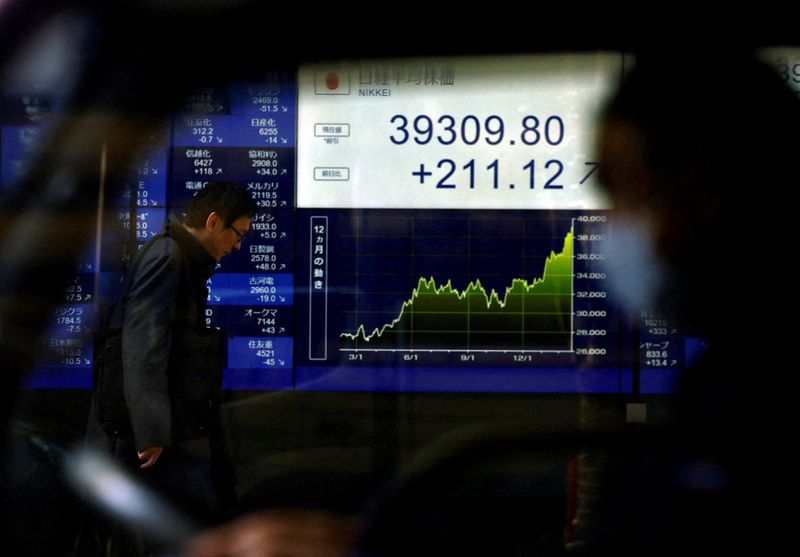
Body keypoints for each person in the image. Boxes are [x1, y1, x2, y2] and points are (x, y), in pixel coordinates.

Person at [87, 180, 256, 530]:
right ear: (213, 222)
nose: (238, 246)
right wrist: (151, 431)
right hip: (138, 435)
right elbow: (143, 344)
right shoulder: (168, 256)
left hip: (149, 430)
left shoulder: (177, 256)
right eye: (237, 234)